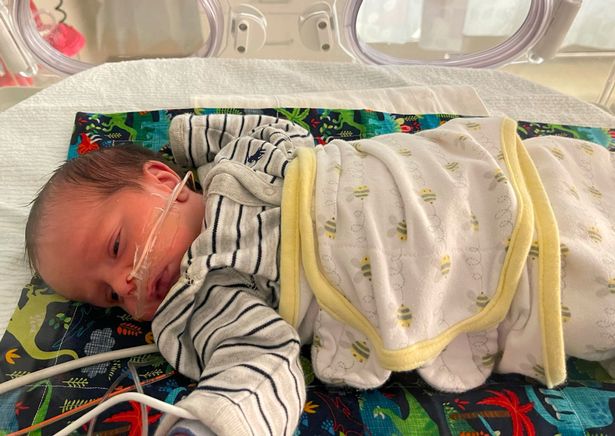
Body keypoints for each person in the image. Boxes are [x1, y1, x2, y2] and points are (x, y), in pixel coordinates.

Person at [26, 113, 615, 435]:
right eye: (107, 295)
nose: (125, 284)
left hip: (489, 173)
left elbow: (284, 133)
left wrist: (190, 132)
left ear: (163, 181)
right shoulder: (207, 301)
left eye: (117, 246)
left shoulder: (243, 163)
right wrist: (213, 424)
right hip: (521, 279)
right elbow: (261, 365)